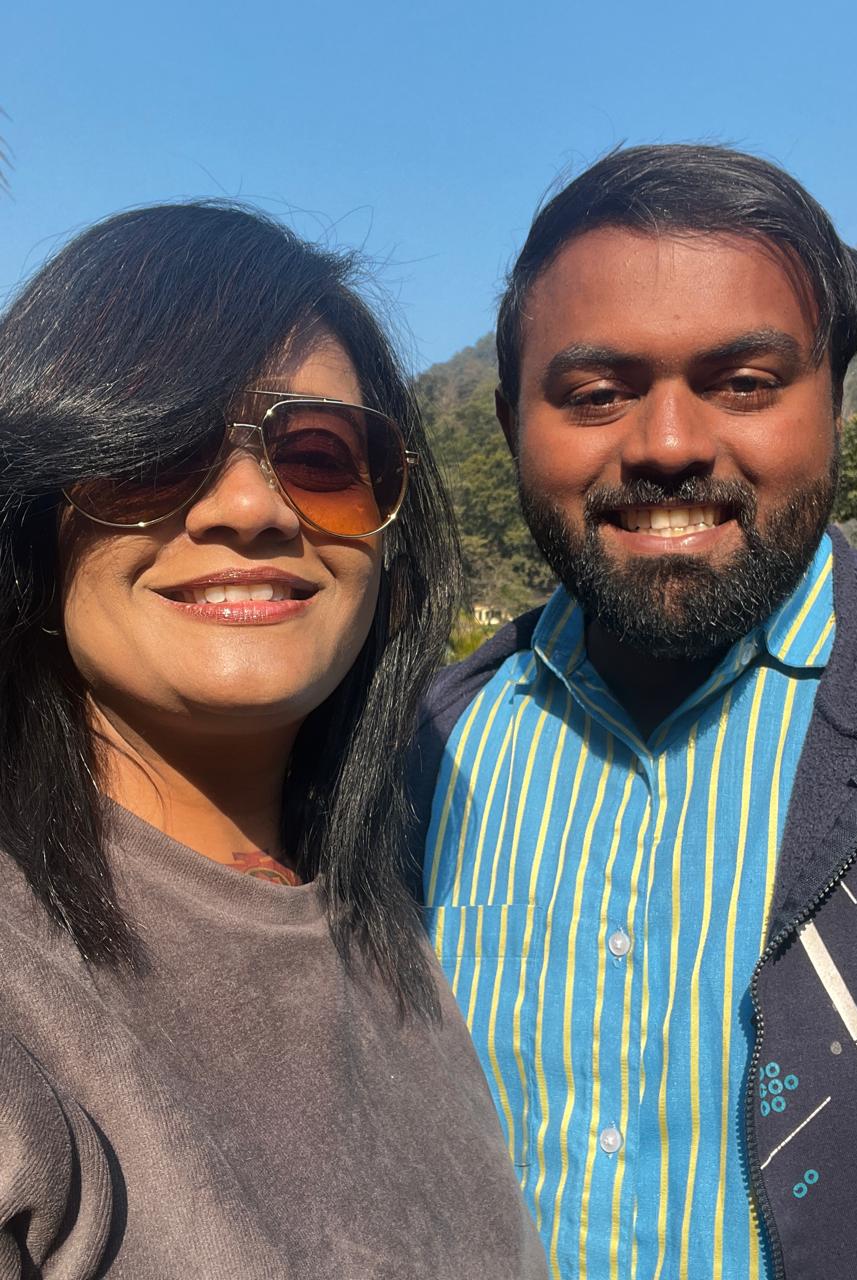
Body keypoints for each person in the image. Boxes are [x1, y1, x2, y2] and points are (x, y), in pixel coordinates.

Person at [409, 145, 857, 1278]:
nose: (666, 445)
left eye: (744, 383)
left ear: (834, 404)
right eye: (594, 394)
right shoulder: (421, 755)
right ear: (510, 422)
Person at [0, 202, 548, 1279]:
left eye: (320, 457)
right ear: (31, 511)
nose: (252, 506)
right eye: (159, 450)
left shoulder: (412, 914)